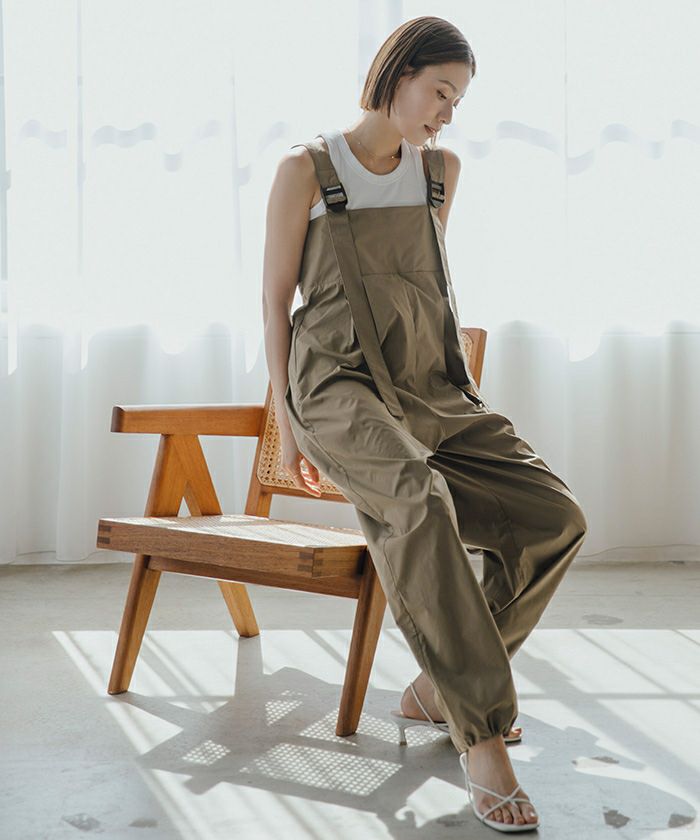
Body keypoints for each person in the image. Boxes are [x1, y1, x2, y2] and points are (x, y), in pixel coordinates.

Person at [262, 15, 587, 834]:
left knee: (554, 519)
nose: (447, 112)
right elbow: (273, 303)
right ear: (397, 74)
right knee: (418, 500)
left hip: (430, 386)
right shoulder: (306, 169)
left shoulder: (442, 173)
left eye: (458, 100)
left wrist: (454, 393)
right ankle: (483, 738)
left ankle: (441, 689)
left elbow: (422, 293)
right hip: (335, 386)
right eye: (440, 91)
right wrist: (288, 424)